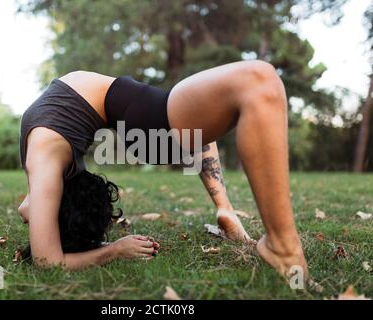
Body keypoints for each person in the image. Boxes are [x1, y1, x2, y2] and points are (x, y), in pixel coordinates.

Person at [18, 60, 308, 278]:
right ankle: (281, 247)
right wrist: (114, 249)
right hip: (133, 116)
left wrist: (44, 214)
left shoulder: (44, 174)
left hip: (126, 109)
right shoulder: (44, 168)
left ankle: (225, 208)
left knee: (197, 126)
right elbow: (48, 261)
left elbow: (29, 208)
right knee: (259, 81)